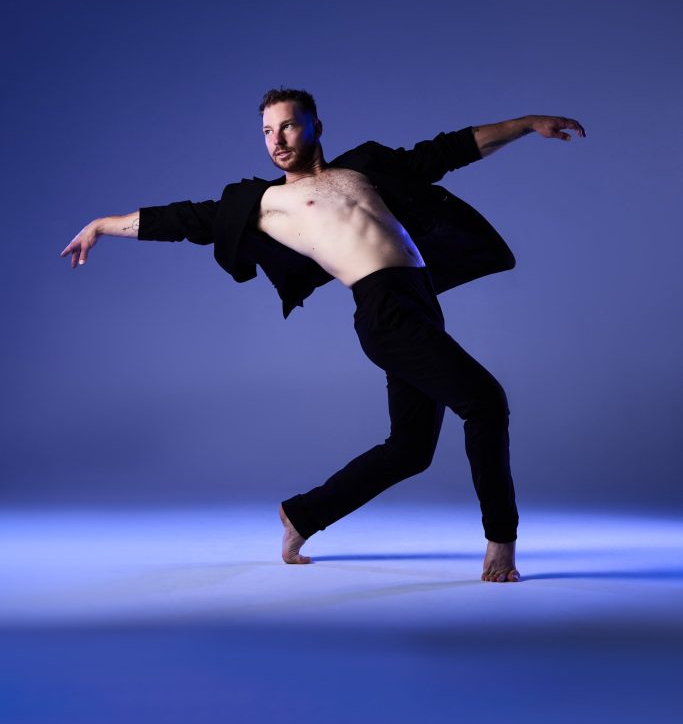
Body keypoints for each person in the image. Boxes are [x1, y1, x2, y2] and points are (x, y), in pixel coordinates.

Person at [61, 89, 586, 582]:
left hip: (421, 304)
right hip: (383, 314)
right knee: (485, 401)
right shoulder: (265, 204)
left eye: (288, 126)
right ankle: (501, 541)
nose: (278, 140)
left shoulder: (367, 167)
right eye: (268, 131)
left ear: (315, 126)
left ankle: (301, 514)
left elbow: (446, 151)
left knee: (409, 450)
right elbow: (184, 219)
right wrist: (103, 225)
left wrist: (524, 124)